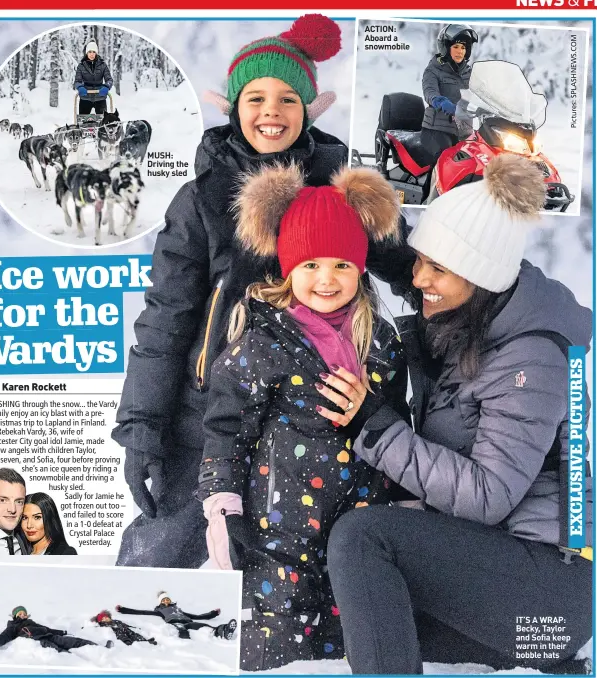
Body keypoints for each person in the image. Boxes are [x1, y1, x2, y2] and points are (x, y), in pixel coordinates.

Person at [111, 14, 412, 569]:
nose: (271, 112)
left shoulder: (343, 183)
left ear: (308, 108)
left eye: (287, 99)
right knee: (163, 549)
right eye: (255, 98)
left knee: (305, 562)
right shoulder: (200, 200)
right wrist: (142, 426)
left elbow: (409, 266)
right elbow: (166, 317)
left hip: (318, 405)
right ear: (232, 107)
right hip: (210, 408)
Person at [326, 154, 593, 675]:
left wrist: (375, 428)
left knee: (362, 538)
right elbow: (419, 270)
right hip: (500, 577)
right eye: (420, 259)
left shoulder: (531, 357)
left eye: (437, 268)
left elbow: (489, 495)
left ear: (479, 277)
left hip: (547, 595)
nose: (419, 277)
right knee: (353, 621)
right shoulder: (475, 310)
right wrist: (356, 213)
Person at [197, 164, 409, 671]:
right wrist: (223, 507)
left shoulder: (381, 342)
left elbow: (397, 424)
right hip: (278, 533)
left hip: (358, 529)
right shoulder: (264, 341)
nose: (326, 279)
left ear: (360, 268)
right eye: (311, 264)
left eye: (341, 264)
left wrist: (406, 500)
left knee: (349, 643)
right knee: (277, 644)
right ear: (290, 267)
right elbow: (227, 430)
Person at [421, 24, 478, 163]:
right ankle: (431, 184)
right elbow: (429, 91)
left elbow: (484, 93)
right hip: (437, 130)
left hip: (464, 132)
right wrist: (440, 101)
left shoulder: (469, 73)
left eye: (463, 48)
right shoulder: (433, 70)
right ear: (446, 47)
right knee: (445, 162)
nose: (460, 51)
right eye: (456, 47)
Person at [0, 606, 113, 654]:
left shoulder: (32, 622)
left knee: (75, 641)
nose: (23, 615)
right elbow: (5, 635)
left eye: (24, 613)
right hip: (39, 641)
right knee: (61, 653)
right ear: (15, 616)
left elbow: (47, 629)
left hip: (49, 636)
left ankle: (100, 648)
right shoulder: (14, 626)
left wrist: (62, 632)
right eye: (20, 613)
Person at [115, 592, 236, 640]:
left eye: (167, 599)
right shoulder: (160, 611)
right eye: (164, 600)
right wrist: (123, 610)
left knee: (202, 625)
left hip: (187, 621)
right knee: (183, 631)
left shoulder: (179, 610)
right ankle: (187, 644)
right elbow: (142, 612)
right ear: (161, 602)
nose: (166, 601)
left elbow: (197, 616)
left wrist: (213, 613)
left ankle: (223, 630)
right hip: (174, 622)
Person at [74, 40, 113, 115]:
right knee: (83, 122)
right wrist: (80, 87)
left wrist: (107, 87)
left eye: (94, 52)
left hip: (100, 96)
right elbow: (77, 81)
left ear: (96, 53)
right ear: (87, 53)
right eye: (90, 52)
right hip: (85, 97)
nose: (92, 54)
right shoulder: (81, 66)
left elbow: (109, 79)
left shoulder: (103, 65)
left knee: (102, 122)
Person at [91, 610, 157, 646]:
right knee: (121, 635)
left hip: (125, 630)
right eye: (103, 619)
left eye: (105, 617)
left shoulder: (116, 621)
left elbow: (124, 624)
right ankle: (128, 642)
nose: (105, 619)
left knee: (134, 634)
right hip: (119, 634)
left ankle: (145, 641)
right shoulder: (104, 625)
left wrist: (130, 627)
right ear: (101, 621)